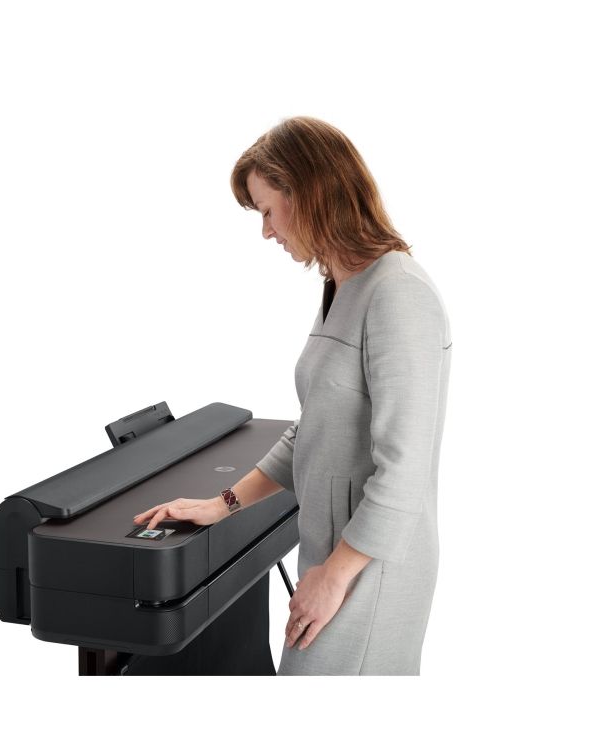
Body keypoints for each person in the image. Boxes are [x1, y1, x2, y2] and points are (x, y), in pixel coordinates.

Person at [133, 116, 452, 675]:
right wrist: (221, 504)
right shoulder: (343, 285)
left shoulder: (398, 294)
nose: (266, 232)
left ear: (308, 193)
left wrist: (333, 577)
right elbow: (315, 425)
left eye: (267, 211)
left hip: (369, 571)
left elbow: (404, 471)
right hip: (335, 558)